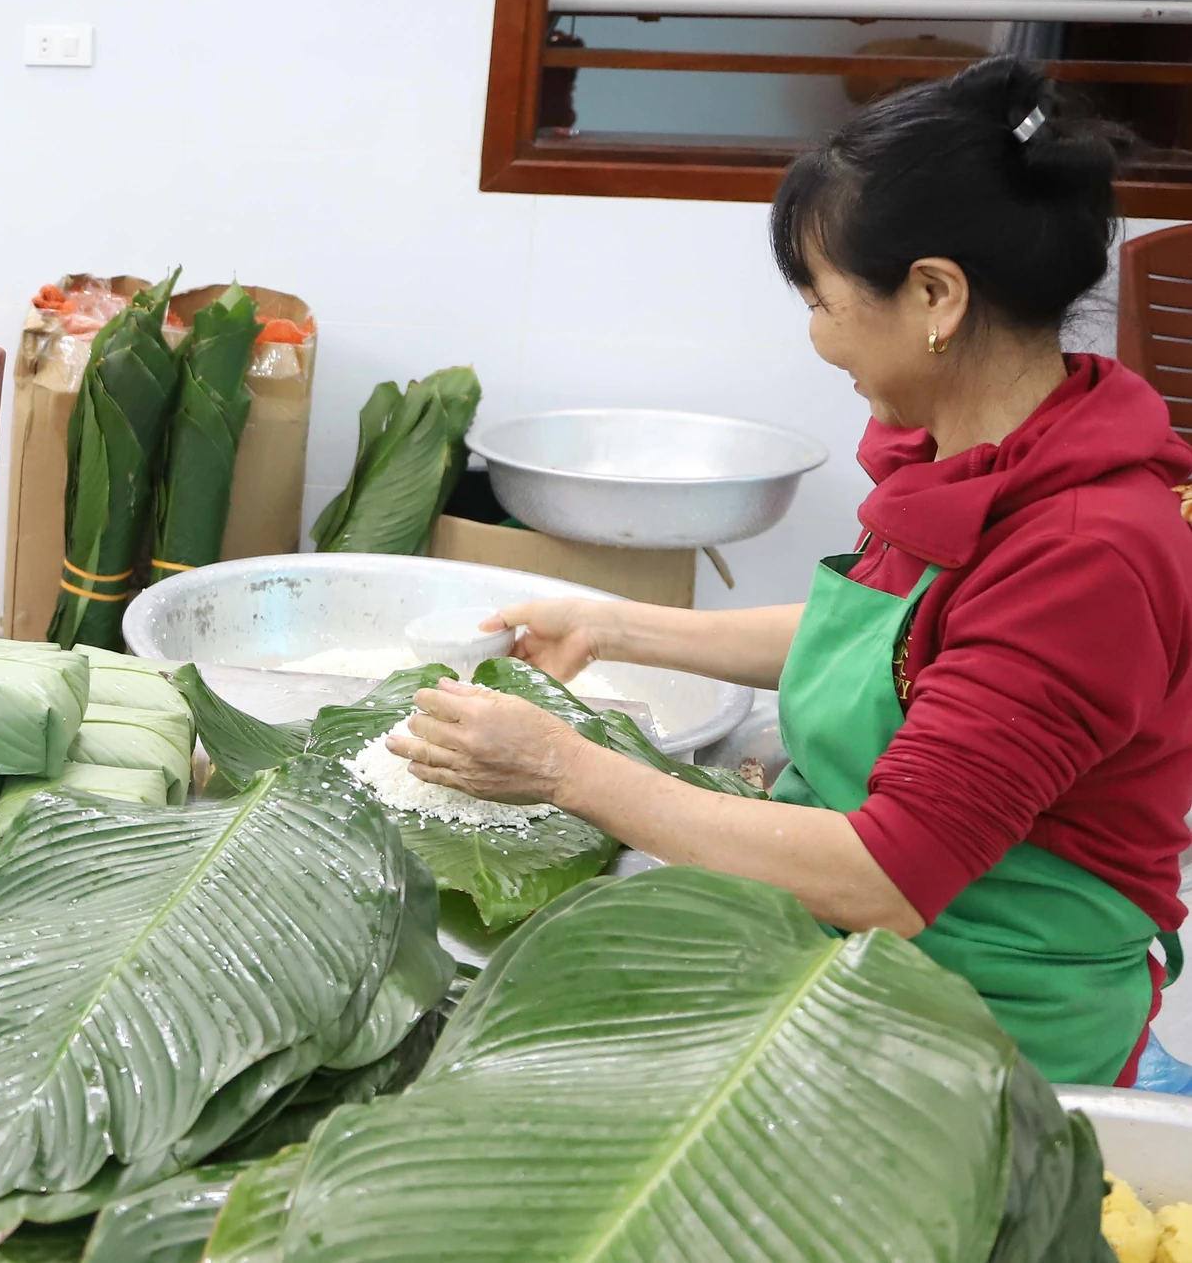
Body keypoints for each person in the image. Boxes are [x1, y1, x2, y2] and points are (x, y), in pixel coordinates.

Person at [394, 56, 1192, 1086]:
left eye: (820, 299)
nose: (816, 335)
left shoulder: (1085, 556)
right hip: (844, 954)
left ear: (935, 294)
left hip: (978, 1026)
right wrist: (612, 624)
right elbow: (890, 646)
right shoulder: (974, 447)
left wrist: (564, 768)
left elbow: (883, 876)